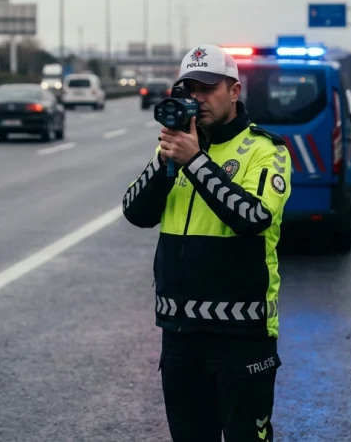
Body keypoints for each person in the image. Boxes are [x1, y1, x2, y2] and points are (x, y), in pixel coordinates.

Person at [122, 44, 292, 442]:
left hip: (242, 336)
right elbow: (136, 212)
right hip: (180, 333)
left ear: (234, 91)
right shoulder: (175, 146)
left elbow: (252, 217)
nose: (196, 99)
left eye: (207, 88)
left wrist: (196, 161)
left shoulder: (266, 150)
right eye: (189, 89)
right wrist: (169, 161)